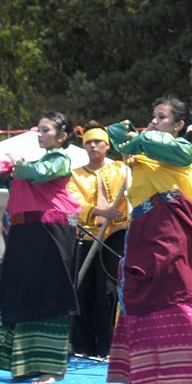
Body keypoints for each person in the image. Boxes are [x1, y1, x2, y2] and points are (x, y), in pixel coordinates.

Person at [105, 96, 192, 384]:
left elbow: (174, 151)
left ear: (179, 125)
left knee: (172, 293)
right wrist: (131, 138)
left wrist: (139, 139)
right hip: (147, 229)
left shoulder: (180, 150)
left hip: (169, 232)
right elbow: (115, 133)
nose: (154, 121)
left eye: (162, 117)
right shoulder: (144, 152)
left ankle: (167, 382)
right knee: (143, 293)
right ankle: (144, 376)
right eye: (153, 116)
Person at [0, 112, 81, 384]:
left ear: (62, 136)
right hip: (24, 232)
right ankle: (24, 364)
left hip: (51, 230)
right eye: (39, 129)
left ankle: (52, 368)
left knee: (49, 294)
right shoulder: (28, 166)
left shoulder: (59, 160)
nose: (40, 134)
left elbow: (36, 173)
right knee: (23, 293)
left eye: (46, 130)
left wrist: (15, 163)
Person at [66, 121, 129, 358]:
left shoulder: (121, 170)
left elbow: (132, 188)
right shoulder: (75, 175)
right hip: (86, 236)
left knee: (108, 292)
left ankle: (108, 346)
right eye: (89, 142)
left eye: (98, 142)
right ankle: (82, 346)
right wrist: (99, 212)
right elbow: (72, 202)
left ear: (107, 145)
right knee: (82, 289)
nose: (93, 146)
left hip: (114, 238)